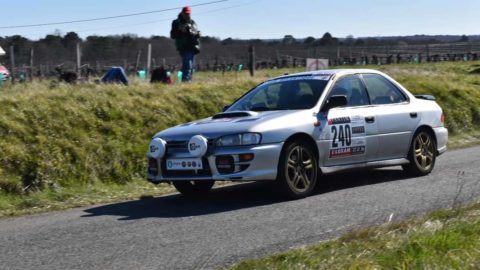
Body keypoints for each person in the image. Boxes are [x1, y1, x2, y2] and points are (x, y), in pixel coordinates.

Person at [170, 6, 201, 82]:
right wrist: (181, 31)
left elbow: (196, 31)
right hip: (184, 46)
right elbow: (172, 35)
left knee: (190, 65)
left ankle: (189, 80)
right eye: (186, 13)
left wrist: (197, 34)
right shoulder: (176, 22)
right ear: (182, 13)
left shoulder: (192, 22)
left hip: (193, 45)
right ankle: (186, 81)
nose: (187, 15)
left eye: (188, 14)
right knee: (188, 64)